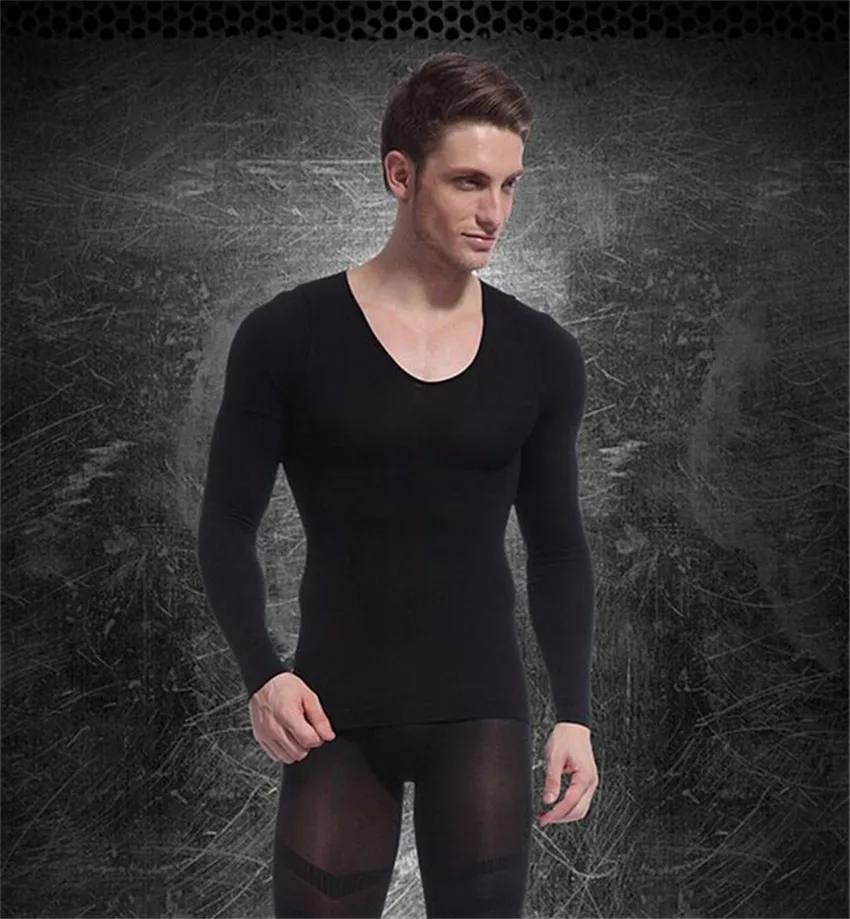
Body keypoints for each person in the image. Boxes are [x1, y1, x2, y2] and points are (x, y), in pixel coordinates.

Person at [196, 51, 598, 918]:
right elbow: (225, 521)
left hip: (481, 714)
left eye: (509, 185)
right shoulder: (288, 335)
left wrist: (575, 711)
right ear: (400, 175)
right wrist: (262, 673)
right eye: (469, 182)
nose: (495, 213)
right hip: (332, 713)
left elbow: (559, 547)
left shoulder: (541, 354)